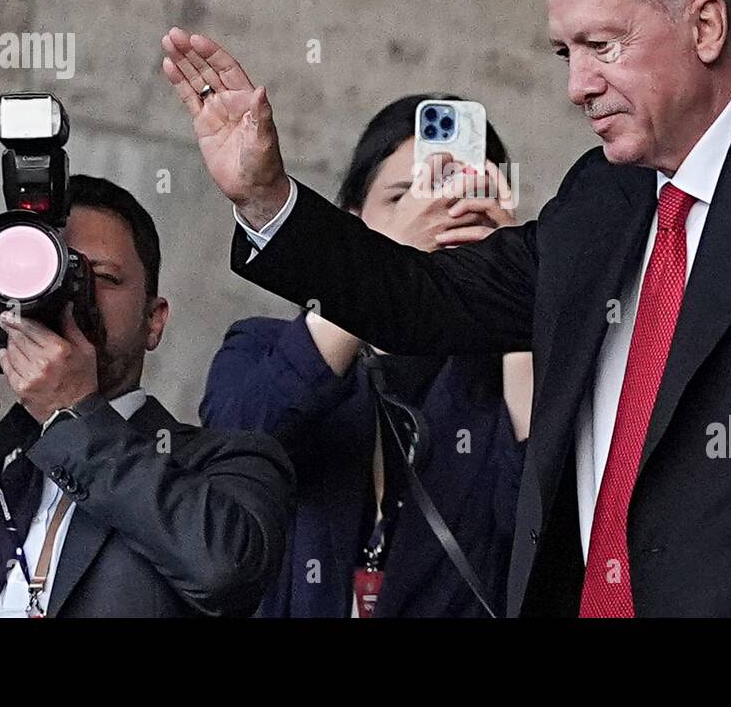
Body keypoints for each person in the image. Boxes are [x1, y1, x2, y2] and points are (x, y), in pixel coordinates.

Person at [161, 0, 731, 617]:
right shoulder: (604, 194)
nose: (577, 86)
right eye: (565, 54)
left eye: (602, 46)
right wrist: (269, 197)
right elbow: (424, 299)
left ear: (704, 27)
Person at [0, 175, 293, 617]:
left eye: (99, 277)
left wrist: (74, 417)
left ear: (154, 319)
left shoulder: (226, 465)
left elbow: (226, 573)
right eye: (46, 271)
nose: (68, 294)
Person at [201, 94, 531, 617]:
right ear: (351, 218)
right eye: (404, 198)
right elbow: (235, 450)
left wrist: (514, 292)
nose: (436, 220)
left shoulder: (515, 374)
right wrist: (378, 269)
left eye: (462, 200)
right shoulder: (260, 346)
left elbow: (537, 530)